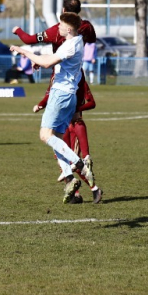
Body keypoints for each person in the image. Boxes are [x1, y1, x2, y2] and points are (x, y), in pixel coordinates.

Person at [12, 0, 101, 202]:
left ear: (68, 27)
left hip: (60, 93)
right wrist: (40, 60)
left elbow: (45, 62)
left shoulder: (69, 44)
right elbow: (51, 61)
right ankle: (72, 180)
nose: (57, 27)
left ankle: (78, 163)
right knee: (58, 140)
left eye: (61, 23)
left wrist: (24, 52)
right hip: (69, 94)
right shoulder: (77, 39)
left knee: (45, 135)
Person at [34, 70, 102, 203]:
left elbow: (92, 102)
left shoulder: (78, 80)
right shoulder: (56, 75)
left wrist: (77, 109)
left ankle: (94, 189)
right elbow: (49, 93)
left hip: (75, 126)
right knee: (61, 158)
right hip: (63, 125)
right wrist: (41, 104)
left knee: (74, 163)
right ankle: (75, 194)